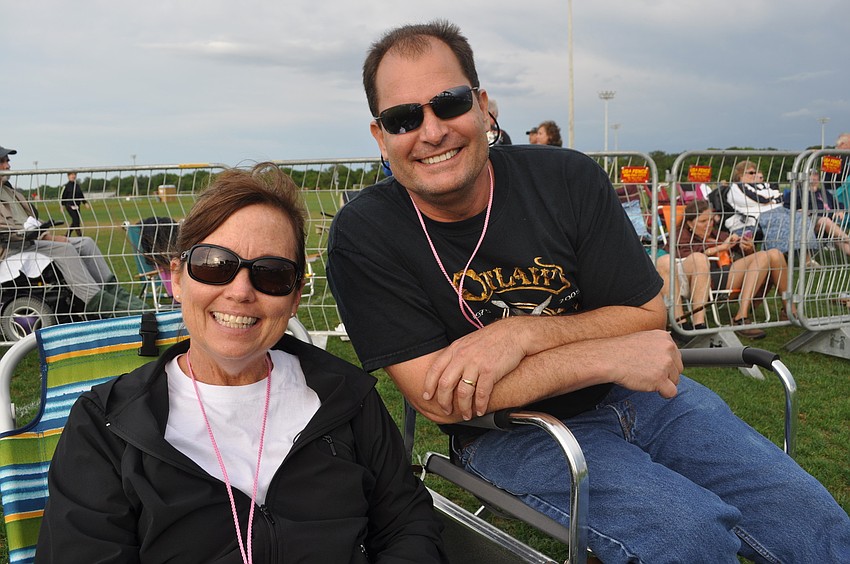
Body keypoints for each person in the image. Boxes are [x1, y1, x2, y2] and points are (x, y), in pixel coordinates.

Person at [327, 20, 850, 562]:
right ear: (380, 136)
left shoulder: (566, 179)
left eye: (449, 103)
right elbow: (440, 396)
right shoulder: (365, 234)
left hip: (643, 396)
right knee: (689, 534)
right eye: (404, 117)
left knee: (813, 521)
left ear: (483, 107)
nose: (431, 131)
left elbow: (645, 312)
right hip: (507, 432)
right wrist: (605, 353)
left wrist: (522, 333)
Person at [37, 163, 446, 563]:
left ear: (295, 296)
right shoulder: (106, 426)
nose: (240, 292)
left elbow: (407, 526)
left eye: (271, 274)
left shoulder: (347, 399)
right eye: (214, 265)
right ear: (178, 279)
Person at [0, 145, 144, 315]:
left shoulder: (11, 191)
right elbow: (8, 231)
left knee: (86, 243)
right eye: (2, 161)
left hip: (30, 241)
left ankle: (118, 295)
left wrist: (44, 229)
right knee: (64, 248)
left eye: (7, 160)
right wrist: (46, 236)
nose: (8, 165)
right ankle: (99, 303)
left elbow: (29, 220)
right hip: (11, 248)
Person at [676, 200, 793, 338]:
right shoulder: (682, 237)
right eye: (703, 221)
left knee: (775, 254)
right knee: (763, 256)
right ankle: (740, 317)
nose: (709, 225)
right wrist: (720, 248)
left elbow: (751, 260)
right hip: (708, 279)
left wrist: (748, 249)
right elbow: (686, 260)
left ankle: (789, 309)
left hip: (730, 275)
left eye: (711, 220)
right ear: (689, 223)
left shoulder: (718, 234)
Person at [725, 160, 818, 260]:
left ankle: (806, 257)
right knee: (781, 220)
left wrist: (770, 200)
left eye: (755, 172)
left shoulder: (763, 185)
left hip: (779, 209)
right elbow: (756, 199)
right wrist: (771, 200)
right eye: (751, 173)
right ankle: (777, 257)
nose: (755, 175)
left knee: (801, 217)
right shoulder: (736, 187)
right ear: (740, 175)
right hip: (758, 216)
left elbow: (780, 196)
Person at [61, 171, 88, 237]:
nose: (73, 176)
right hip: (69, 205)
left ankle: (67, 235)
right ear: (68, 176)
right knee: (76, 220)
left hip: (77, 206)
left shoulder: (77, 186)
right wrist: (62, 206)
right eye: (72, 175)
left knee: (76, 221)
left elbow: (81, 195)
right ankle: (80, 236)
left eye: (74, 175)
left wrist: (85, 203)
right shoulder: (66, 186)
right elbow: (63, 196)